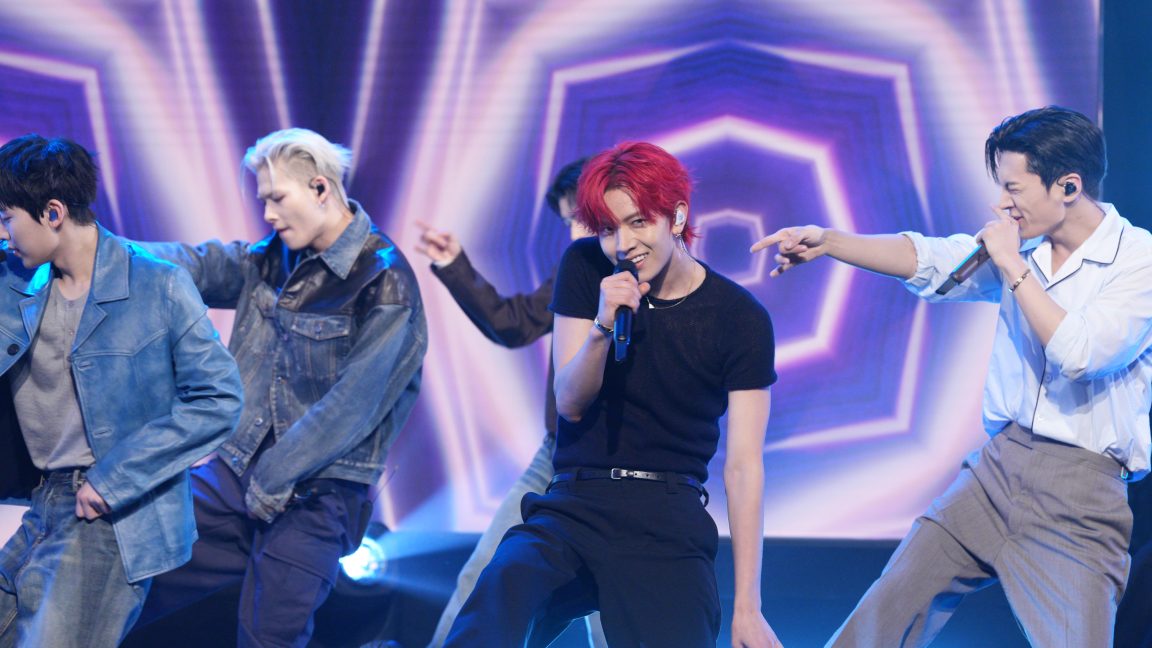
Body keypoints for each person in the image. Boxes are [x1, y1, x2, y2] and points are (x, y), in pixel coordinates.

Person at [752, 106, 1152, 647]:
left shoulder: (1138, 260)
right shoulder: (1024, 245)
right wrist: (830, 241)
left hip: (1078, 492)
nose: (1001, 203)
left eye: (1013, 188)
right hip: (996, 469)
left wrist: (1013, 267)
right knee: (883, 615)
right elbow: (933, 260)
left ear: (1068, 186)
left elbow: (1082, 353)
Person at [445, 141, 783, 647]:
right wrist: (602, 327)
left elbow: (743, 467)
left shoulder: (740, 317)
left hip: (667, 514)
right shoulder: (585, 268)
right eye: (608, 229)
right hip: (576, 500)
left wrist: (749, 608)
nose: (624, 244)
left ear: (677, 216)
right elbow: (570, 402)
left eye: (638, 222)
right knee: (500, 587)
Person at [132, 128, 428, 647]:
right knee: (127, 571)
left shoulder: (385, 280)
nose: (267, 214)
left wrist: (271, 480)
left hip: (320, 492)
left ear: (320, 188)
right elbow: (194, 264)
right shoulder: (273, 257)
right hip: (237, 471)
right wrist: (98, 252)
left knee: (268, 637)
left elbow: (350, 408)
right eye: (263, 200)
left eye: (276, 198)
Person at [0, 134, 243, 647]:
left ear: (52, 213)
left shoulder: (159, 286)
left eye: (6, 218)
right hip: (44, 501)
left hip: (110, 513)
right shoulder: (14, 281)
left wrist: (115, 480)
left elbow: (219, 399)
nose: (3, 234)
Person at [415, 159, 609, 647]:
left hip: (623, 468)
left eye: (581, 218)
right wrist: (455, 265)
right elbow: (514, 323)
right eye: (568, 222)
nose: (574, 233)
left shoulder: (659, 280)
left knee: (611, 612)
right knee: (482, 577)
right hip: (557, 457)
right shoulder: (576, 272)